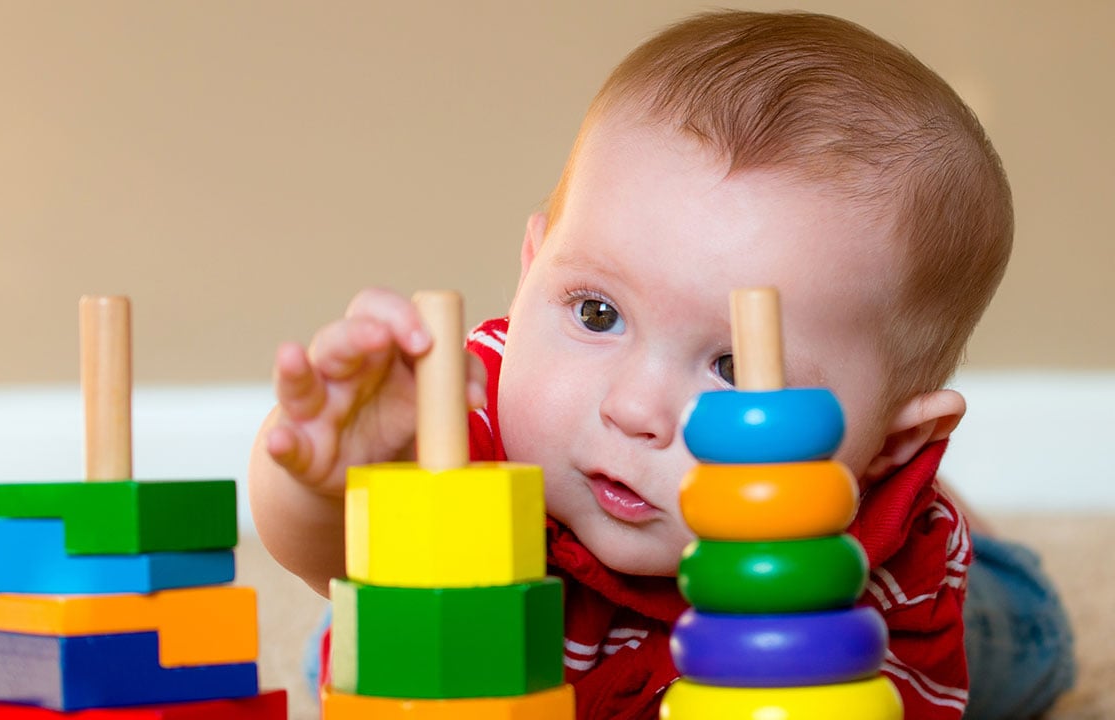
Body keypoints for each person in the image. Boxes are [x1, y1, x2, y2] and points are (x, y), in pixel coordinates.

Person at [249, 10, 1073, 720]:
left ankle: (966, 529)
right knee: (355, 639)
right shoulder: (463, 417)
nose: (635, 407)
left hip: (867, 614)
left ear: (888, 444)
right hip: (511, 641)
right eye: (596, 314)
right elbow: (324, 555)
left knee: (1025, 640)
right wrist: (331, 480)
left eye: (732, 368)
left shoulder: (884, 585)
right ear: (531, 268)